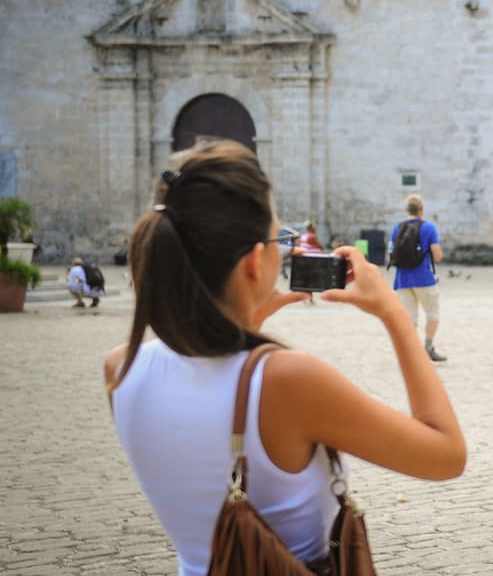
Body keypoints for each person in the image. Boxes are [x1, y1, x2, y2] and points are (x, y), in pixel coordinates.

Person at [103, 140, 466, 576]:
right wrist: (391, 313)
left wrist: (249, 306)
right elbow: (446, 453)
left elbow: (205, 380)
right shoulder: (286, 379)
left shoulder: (121, 369)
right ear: (257, 261)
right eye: (280, 237)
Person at [389, 194, 447, 361]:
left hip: (402, 280)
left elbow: (391, 254)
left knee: (409, 318)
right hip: (423, 279)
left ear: (407, 210)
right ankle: (428, 348)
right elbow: (437, 256)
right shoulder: (429, 228)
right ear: (421, 210)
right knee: (432, 314)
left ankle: (410, 352)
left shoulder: (396, 228)